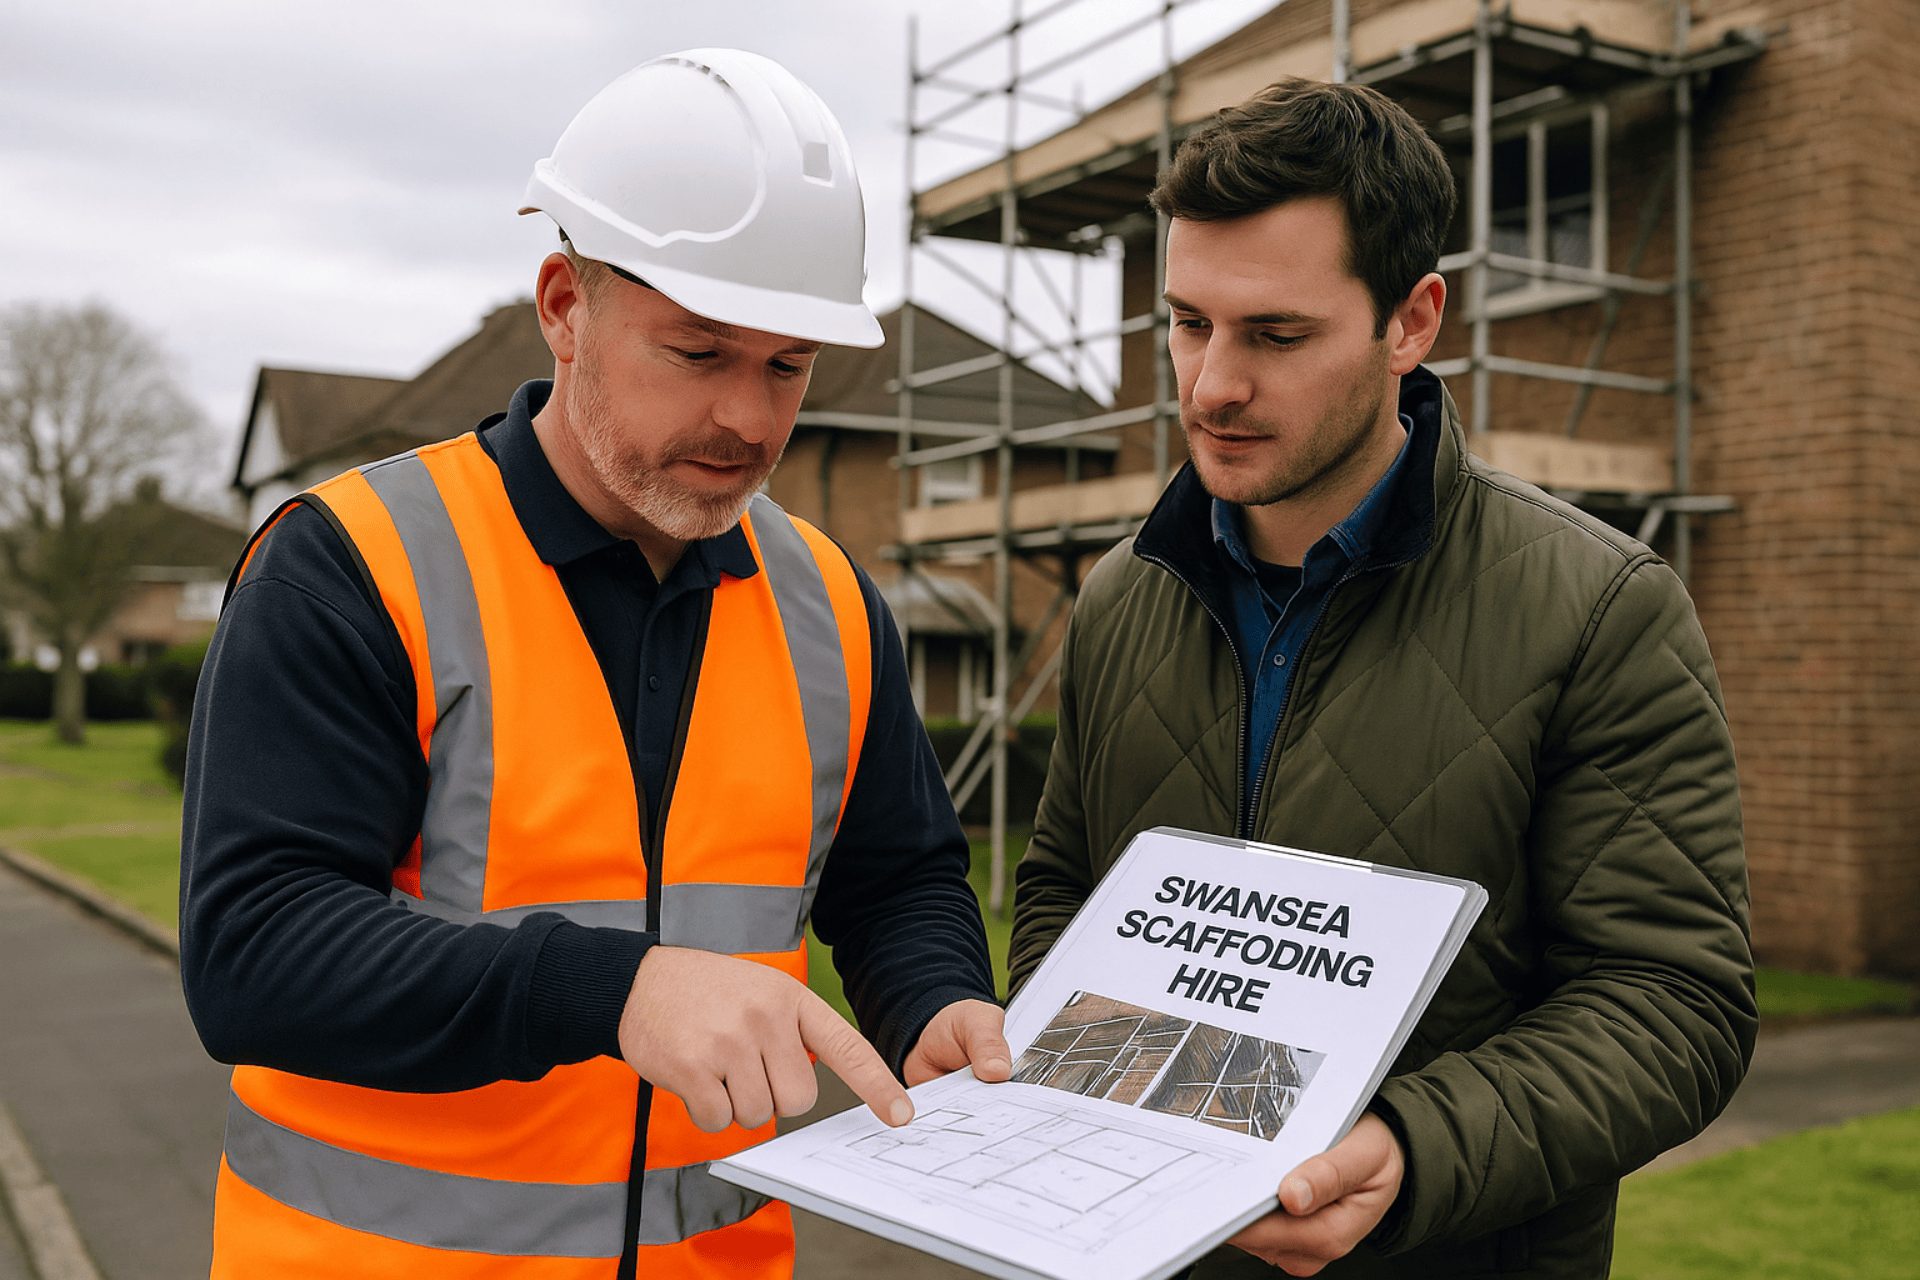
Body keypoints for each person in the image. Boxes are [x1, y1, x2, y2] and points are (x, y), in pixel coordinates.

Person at [181, 49, 1008, 1280]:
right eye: (699, 351)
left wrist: (935, 1000)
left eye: (788, 366)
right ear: (565, 303)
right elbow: (256, 949)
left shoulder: (832, 600)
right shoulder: (350, 565)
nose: (747, 418)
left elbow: (897, 882)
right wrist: (610, 988)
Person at [1010, 78, 1753, 1279]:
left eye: (1277, 334)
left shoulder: (1601, 606)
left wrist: (1411, 1146)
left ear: (1412, 321)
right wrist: (1068, 1064)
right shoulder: (1117, 598)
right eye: (1188, 322)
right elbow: (1061, 885)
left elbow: (1674, 1000)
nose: (1209, 387)